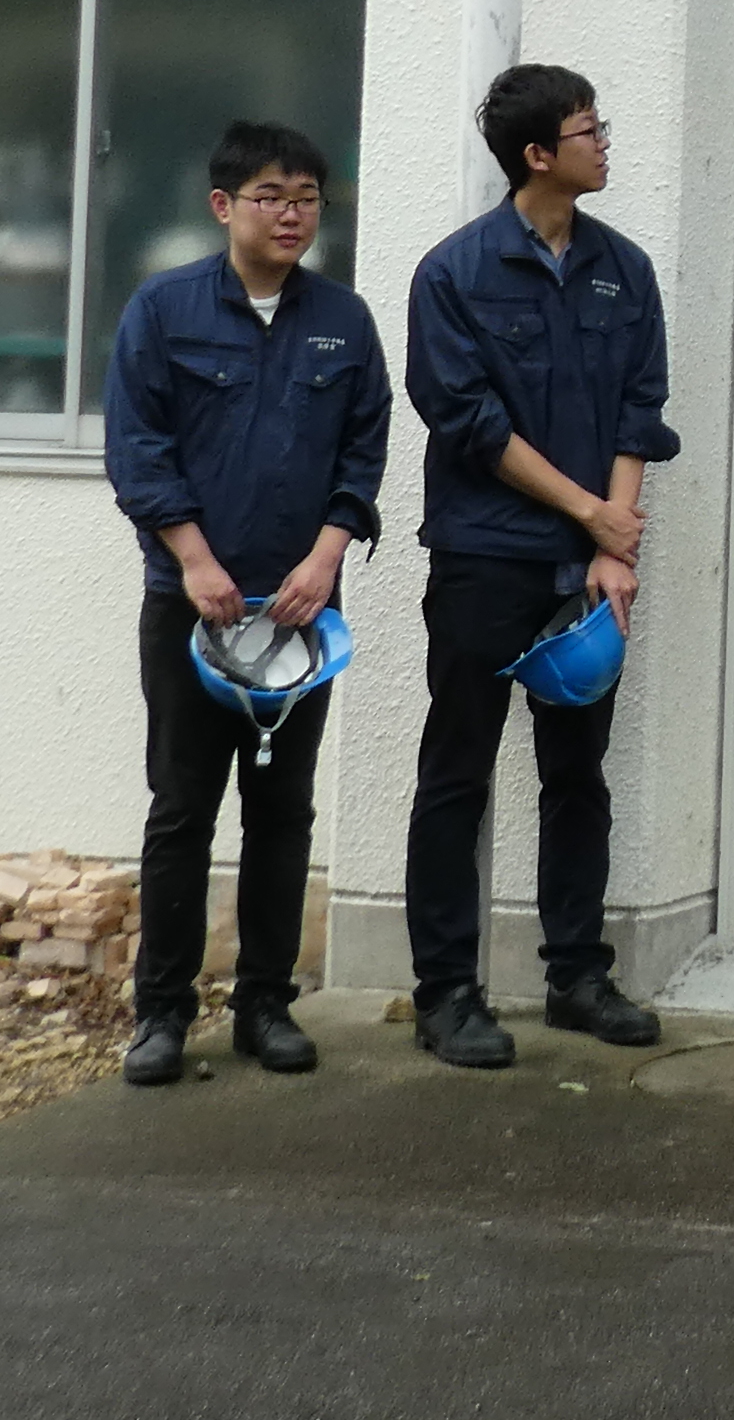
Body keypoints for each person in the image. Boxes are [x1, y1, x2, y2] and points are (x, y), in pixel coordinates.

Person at [398, 63, 679, 1069]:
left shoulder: (623, 269)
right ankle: (446, 992)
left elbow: (641, 406)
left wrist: (613, 540)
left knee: (577, 773)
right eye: (588, 130)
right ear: (537, 154)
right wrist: (590, 514)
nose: (604, 144)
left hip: (587, 572)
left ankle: (577, 976)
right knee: (457, 771)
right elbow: (470, 423)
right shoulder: (454, 274)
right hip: (486, 557)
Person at [99, 120, 387, 1090]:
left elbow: (363, 451)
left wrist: (325, 559)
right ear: (223, 205)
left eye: (307, 198)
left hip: (300, 613)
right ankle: (161, 1013)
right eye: (271, 196)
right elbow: (138, 447)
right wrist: (192, 558)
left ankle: (266, 1003)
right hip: (191, 606)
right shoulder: (164, 309)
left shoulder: (343, 321)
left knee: (282, 809)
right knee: (183, 807)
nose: (292, 215)